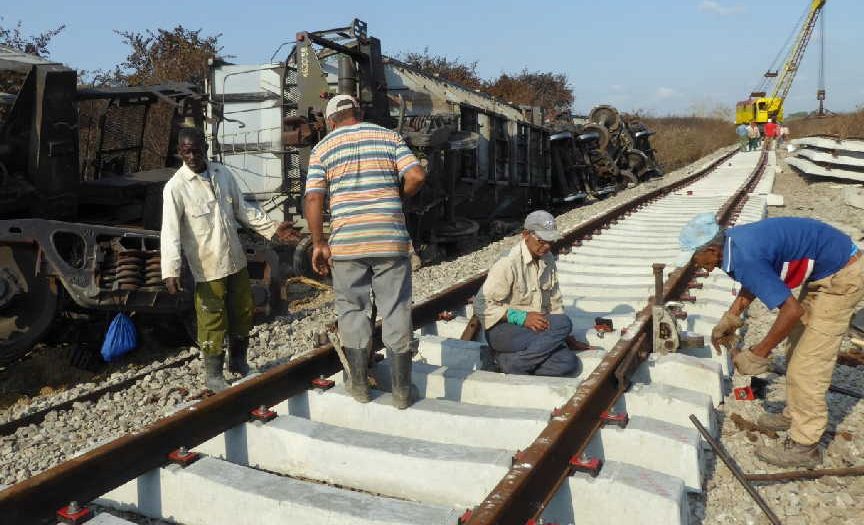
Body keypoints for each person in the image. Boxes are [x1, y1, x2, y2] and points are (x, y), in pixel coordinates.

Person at [685, 215, 864, 468]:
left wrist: (758, 353)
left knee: (809, 364)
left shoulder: (743, 257)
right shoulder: (733, 244)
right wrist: (732, 317)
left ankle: (805, 446)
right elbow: (758, 278)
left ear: (712, 250)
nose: (696, 265)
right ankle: (795, 414)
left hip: (842, 277)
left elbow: (791, 311)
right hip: (827, 270)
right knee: (795, 347)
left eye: (696, 258)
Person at [304, 94, 426, 409]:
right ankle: (401, 392)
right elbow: (416, 175)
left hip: (347, 244)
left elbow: (314, 198)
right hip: (389, 240)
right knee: (396, 308)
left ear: (332, 121)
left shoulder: (323, 148)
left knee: (352, 310)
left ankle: (359, 386)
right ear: (358, 113)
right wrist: (397, 198)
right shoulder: (389, 137)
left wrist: (319, 243)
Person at [161, 127, 298, 392]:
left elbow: (243, 210)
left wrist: (271, 228)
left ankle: (239, 363)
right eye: (186, 151)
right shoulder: (175, 189)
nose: (192, 156)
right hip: (207, 267)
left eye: (196, 150)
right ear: (180, 152)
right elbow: (170, 232)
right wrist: (171, 269)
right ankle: (213, 375)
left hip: (234, 261)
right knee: (212, 318)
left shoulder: (222, 174)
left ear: (205, 147)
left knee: (242, 312)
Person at [474, 211, 583, 377]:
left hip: (534, 331)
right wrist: (521, 317)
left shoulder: (548, 259)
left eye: (550, 241)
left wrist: (562, 338)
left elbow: (554, 302)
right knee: (563, 323)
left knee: (568, 363)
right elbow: (481, 305)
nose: (546, 246)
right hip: (503, 331)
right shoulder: (508, 262)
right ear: (526, 235)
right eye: (541, 240)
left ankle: (506, 362)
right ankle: (510, 360)